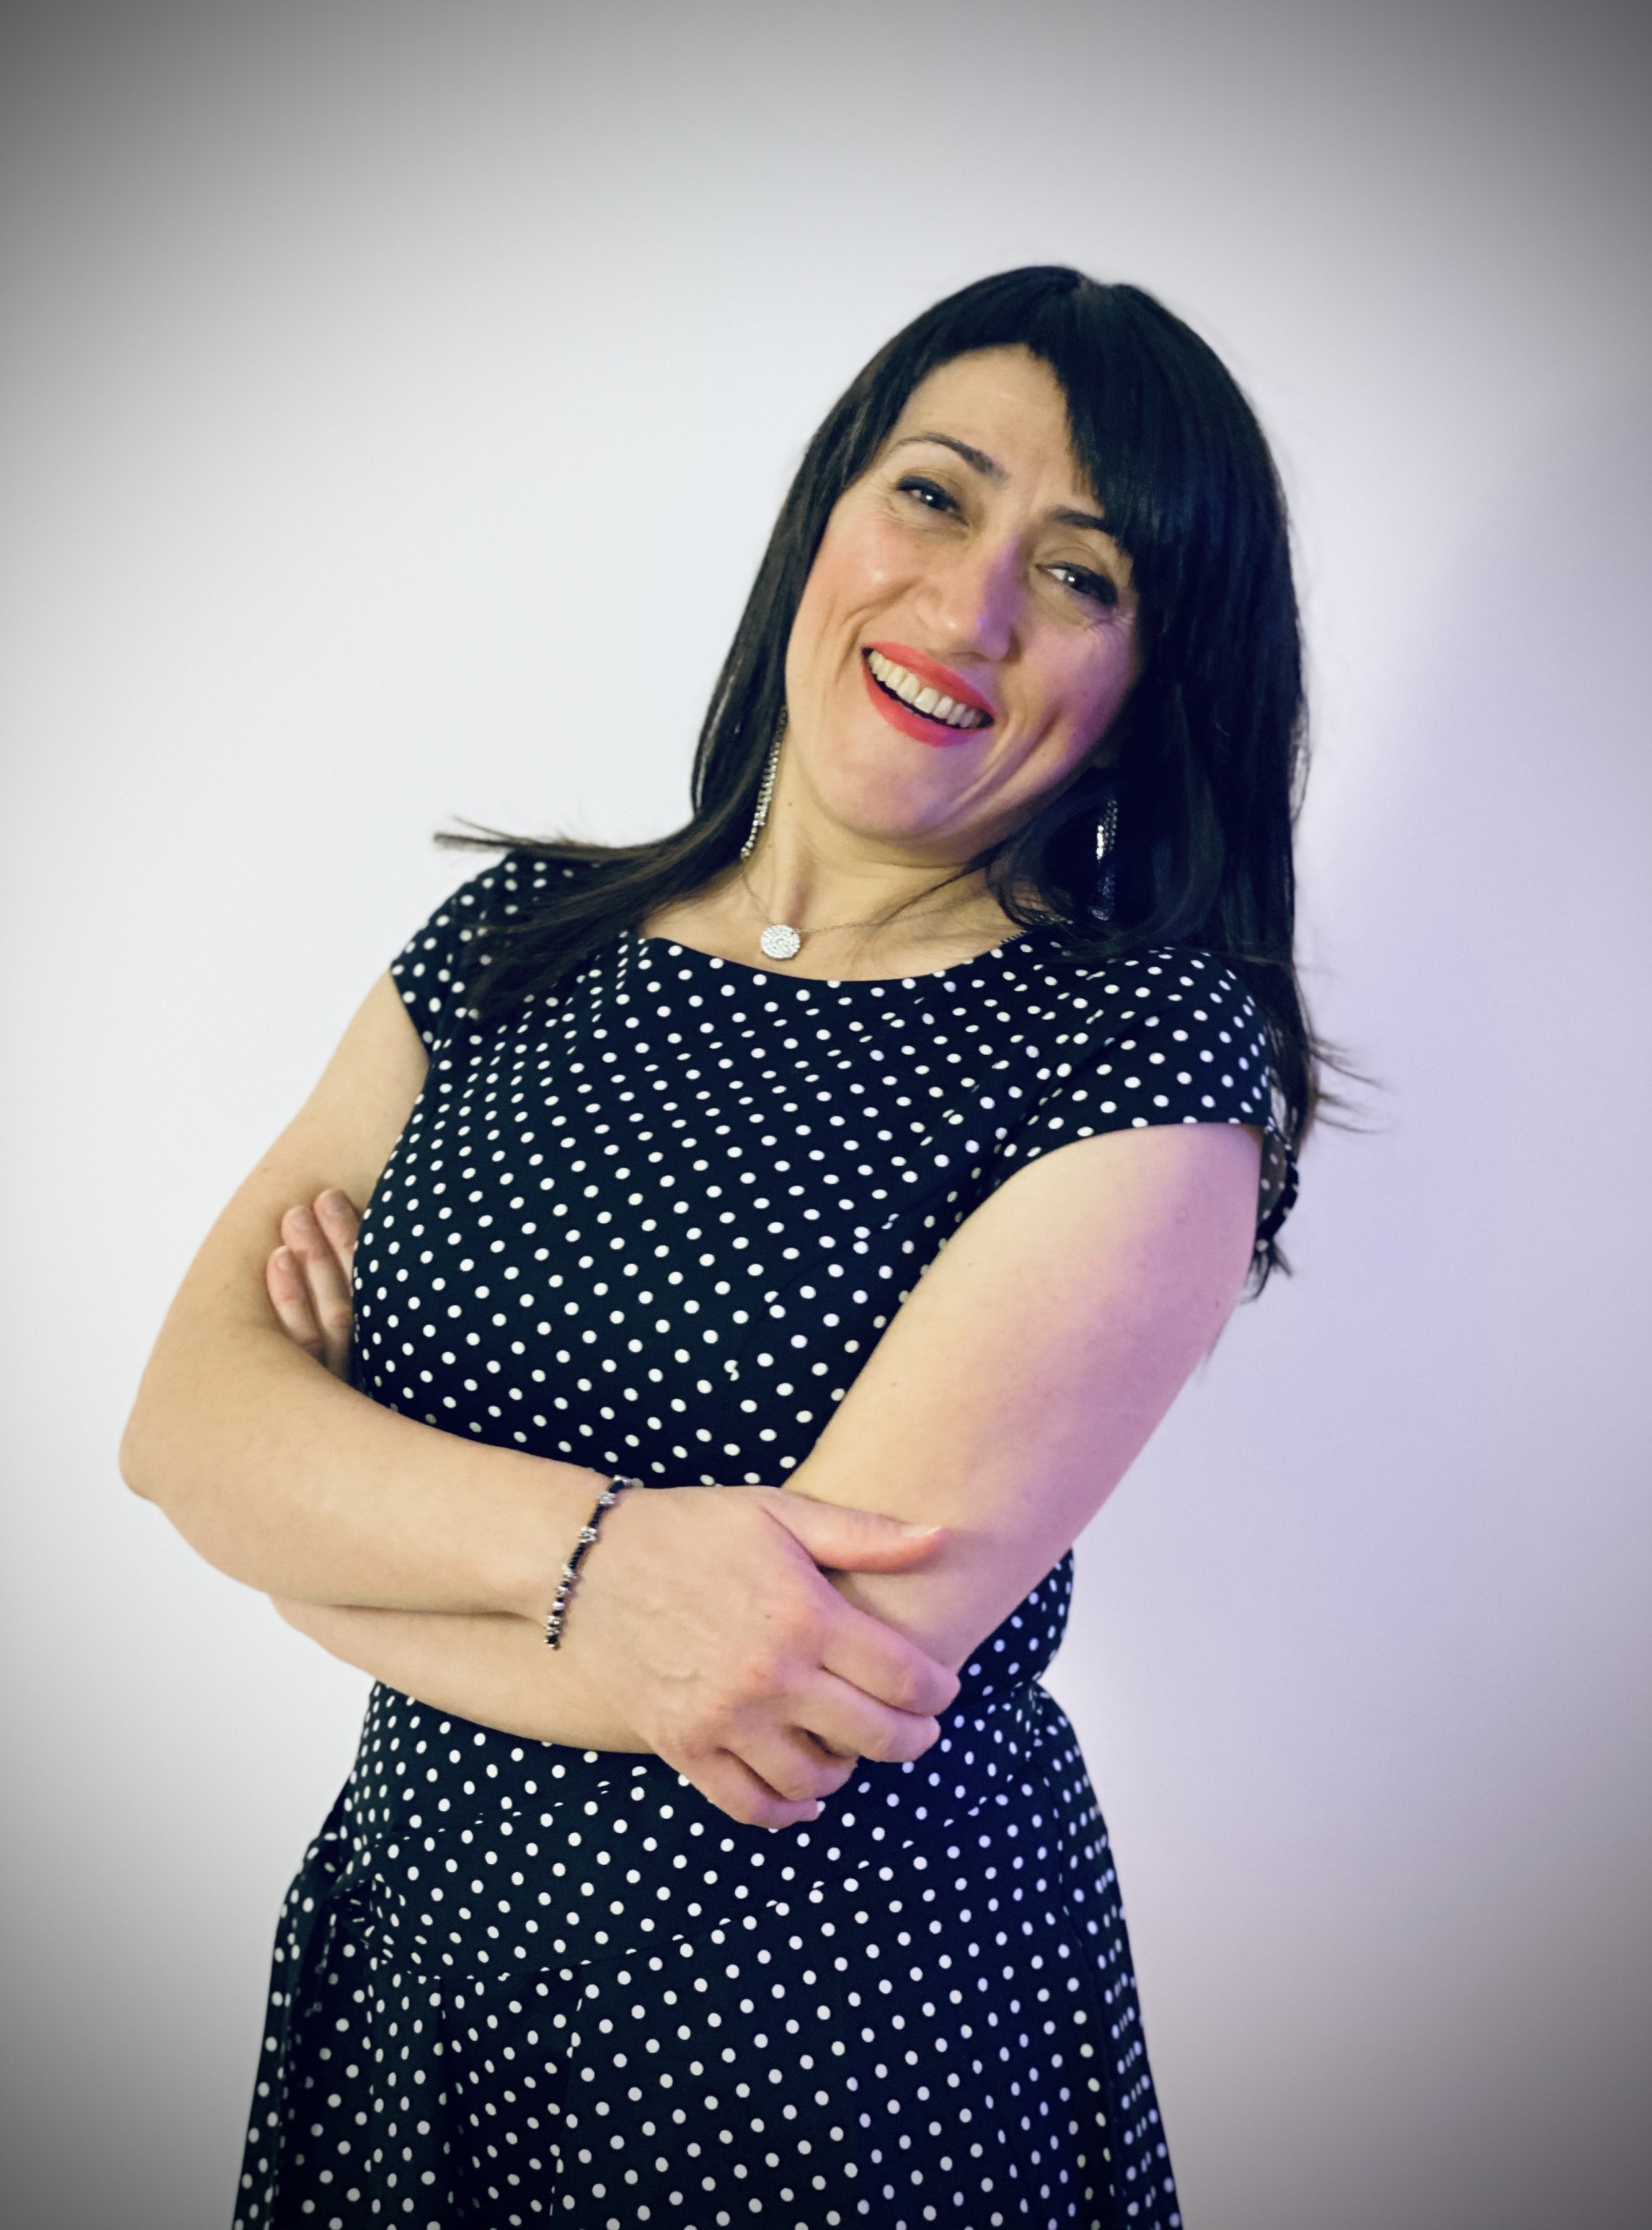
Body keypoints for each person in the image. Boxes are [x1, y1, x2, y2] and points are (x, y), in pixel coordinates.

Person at [122, 265, 1315, 2230]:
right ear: (830, 514)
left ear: (1151, 682)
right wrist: (603, 1564)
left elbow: (794, 1691)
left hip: (822, 2057)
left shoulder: (1138, 1062)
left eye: (1082, 572)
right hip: (421, 1975)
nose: (971, 606)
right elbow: (178, 1423)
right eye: (933, 493)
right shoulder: (514, 943)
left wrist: (312, 1537)